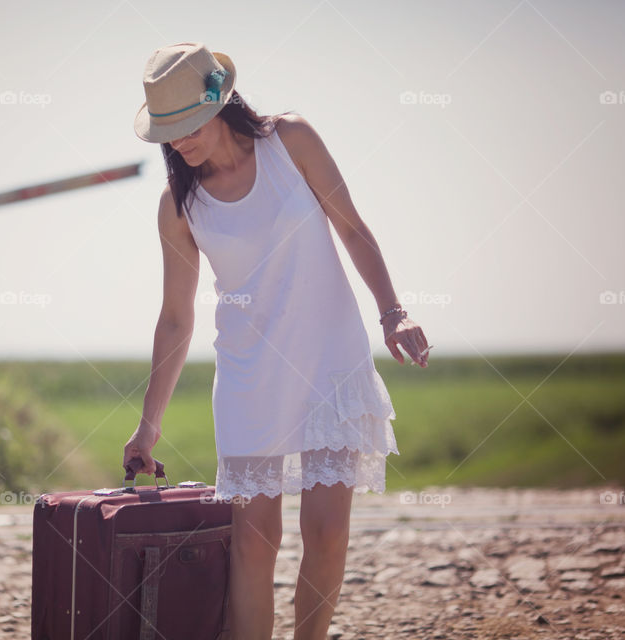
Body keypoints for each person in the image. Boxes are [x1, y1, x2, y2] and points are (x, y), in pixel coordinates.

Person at [123, 42, 430, 640]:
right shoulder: (179, 205)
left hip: (330, 362)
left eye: (187, 122)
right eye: (168, 129)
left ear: (220, 102)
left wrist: (393, 312)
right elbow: (176, 319)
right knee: (255, 544)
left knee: (328, 533)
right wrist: (147, 426)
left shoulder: (291, 141)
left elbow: (351, 226)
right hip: (248, 375)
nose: (179, 140)